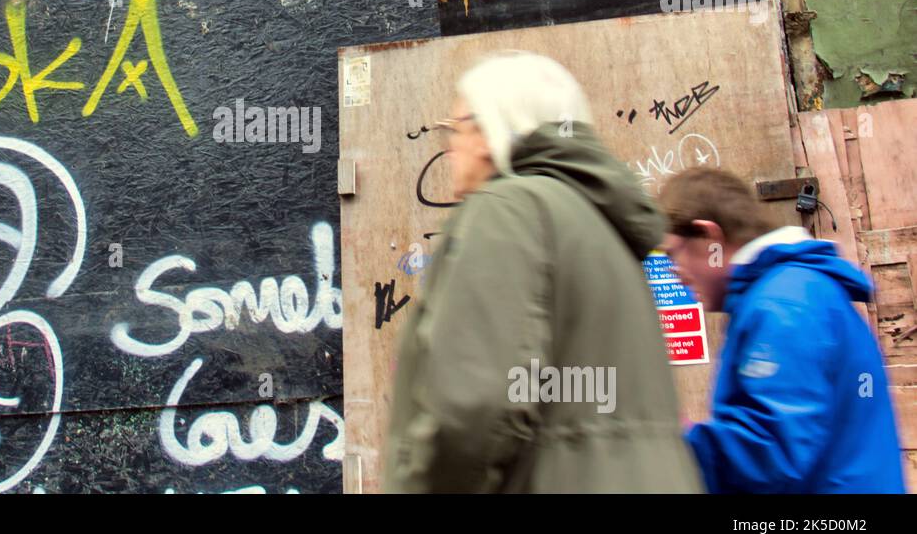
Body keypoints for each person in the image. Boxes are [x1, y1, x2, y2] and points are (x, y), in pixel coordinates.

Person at [383, 50, 701, 493]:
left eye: (458, 127)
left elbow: (471, 408)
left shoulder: (507, 210)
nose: (450, 146)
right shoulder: (607, 226)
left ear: (494, 127)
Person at [658, 168, 905, 493]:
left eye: (674, 254)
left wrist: (675, 438)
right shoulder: (784, 293)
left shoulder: (782, 304)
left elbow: (774, 457)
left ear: (709, 238)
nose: (676, 273)